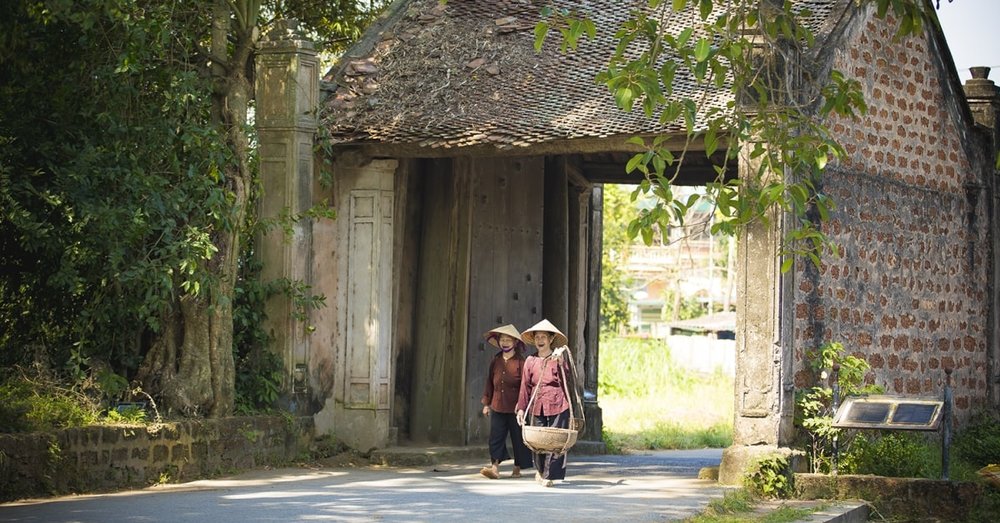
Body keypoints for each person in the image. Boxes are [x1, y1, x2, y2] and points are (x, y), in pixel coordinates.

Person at [516, 319, 573, 487]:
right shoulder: (530, 361)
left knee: (555, 441)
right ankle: (541, 471)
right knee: (537, 441)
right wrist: (521, 409)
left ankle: (550, 476)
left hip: (557, 402)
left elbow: (566, 381)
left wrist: (562, 364)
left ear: (550, 340)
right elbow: (524, 386)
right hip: (536, 403)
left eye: (543, 337)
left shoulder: (558, 359)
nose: (540, 340)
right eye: (537, 337)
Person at [479, 324, 533, 480]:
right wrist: (486, 403)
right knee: (495, 437)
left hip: (516, 408)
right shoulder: (495, 360)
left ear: (515, 342)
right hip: (497, 404)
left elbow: (525, 385)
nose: (505, 342)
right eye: (502, 339)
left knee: (518, 438)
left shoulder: (521, 362)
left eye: (508, 340)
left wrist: (522, 405)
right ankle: (495, 468)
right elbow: (490, 382)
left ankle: (517, 467)